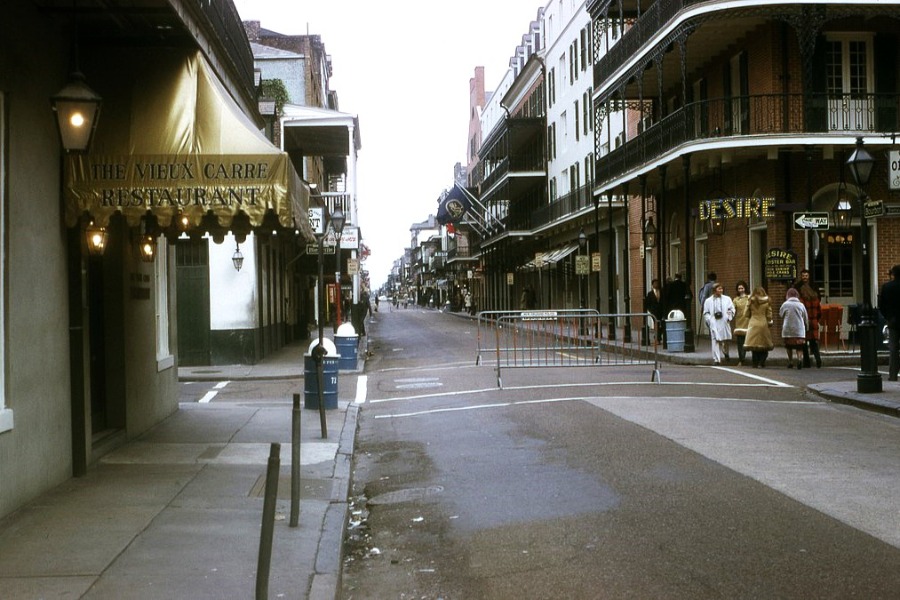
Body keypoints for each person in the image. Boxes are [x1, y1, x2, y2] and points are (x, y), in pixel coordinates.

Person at [702, 282, 735, 365]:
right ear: (714, 290)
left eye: (721, 289)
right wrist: (710, 320)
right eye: (719, 289)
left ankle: (725, 352)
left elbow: (731, 309)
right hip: (714, 322)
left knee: (725, 340)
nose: (721, 290)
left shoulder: (727, 299)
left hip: (724, 321)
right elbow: (706, 312)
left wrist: (728, 316)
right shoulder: (708, 301)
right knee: (715, 340)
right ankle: (716, 359)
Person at [878, 264, 900, 381]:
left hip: (893, 320)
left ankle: (893, 375)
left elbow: (881, 306)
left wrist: (888, 316)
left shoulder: (887, 287)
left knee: (893, 349)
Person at [744, 286, 774, 368]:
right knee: (764, 344)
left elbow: (746, 314)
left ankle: (755, 363)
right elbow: (769, 314)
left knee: (754, 346)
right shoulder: (767, 302)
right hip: (763, 323)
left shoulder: (750, 301)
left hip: (753, 323)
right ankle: (762, 361)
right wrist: (769, 320)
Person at [780, 287, 809, 369]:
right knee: (799, 347)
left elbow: (781, 314)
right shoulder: (801, 305)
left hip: (788, 329)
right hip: (799, 329)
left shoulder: (785, 304)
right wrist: (806, 327)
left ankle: (790, 361)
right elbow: (805, 317)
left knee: (789, 346)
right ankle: (799, 359)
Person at [799, 282, 822, 368]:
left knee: (804, 343)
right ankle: (818, 359)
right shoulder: (816, 300)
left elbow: (801, 312)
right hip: (814, 321)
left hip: (806, 323)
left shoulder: (802, 300)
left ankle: (807, 362)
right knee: (814, 343)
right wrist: (817, 320)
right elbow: (820, 312)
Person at [732, 281, 750, 366]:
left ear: (745, 288)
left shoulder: (749, 298)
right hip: (739, 322)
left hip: (748, 322)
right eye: (739, 288)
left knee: (749, 341)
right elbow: (732, 309)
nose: (741, 290)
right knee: (740, 342)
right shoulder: (735, 299)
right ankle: (741, 359)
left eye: (742, 288)